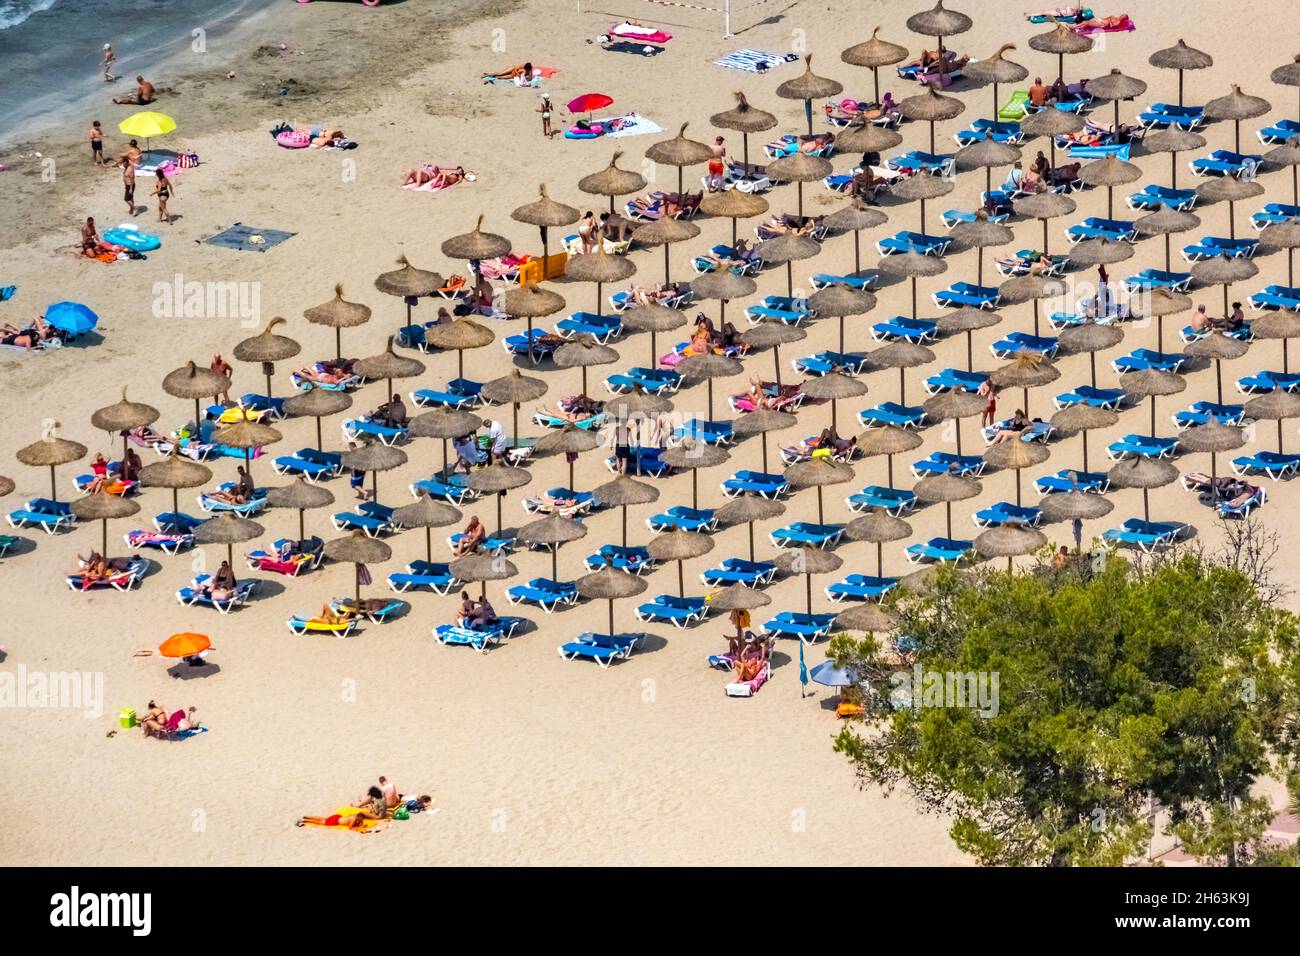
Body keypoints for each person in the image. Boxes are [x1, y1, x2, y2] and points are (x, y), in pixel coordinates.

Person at [296, 786, 389, 829]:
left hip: (338, 817)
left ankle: (306, 816)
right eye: (361, 819)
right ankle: (305, 820)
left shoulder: (354, 816)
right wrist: (360, 826)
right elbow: (350, 827)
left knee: (322, 818)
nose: (362, 820)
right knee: (321, 822)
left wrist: (360, 823)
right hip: (335, 821)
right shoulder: (354, 819)